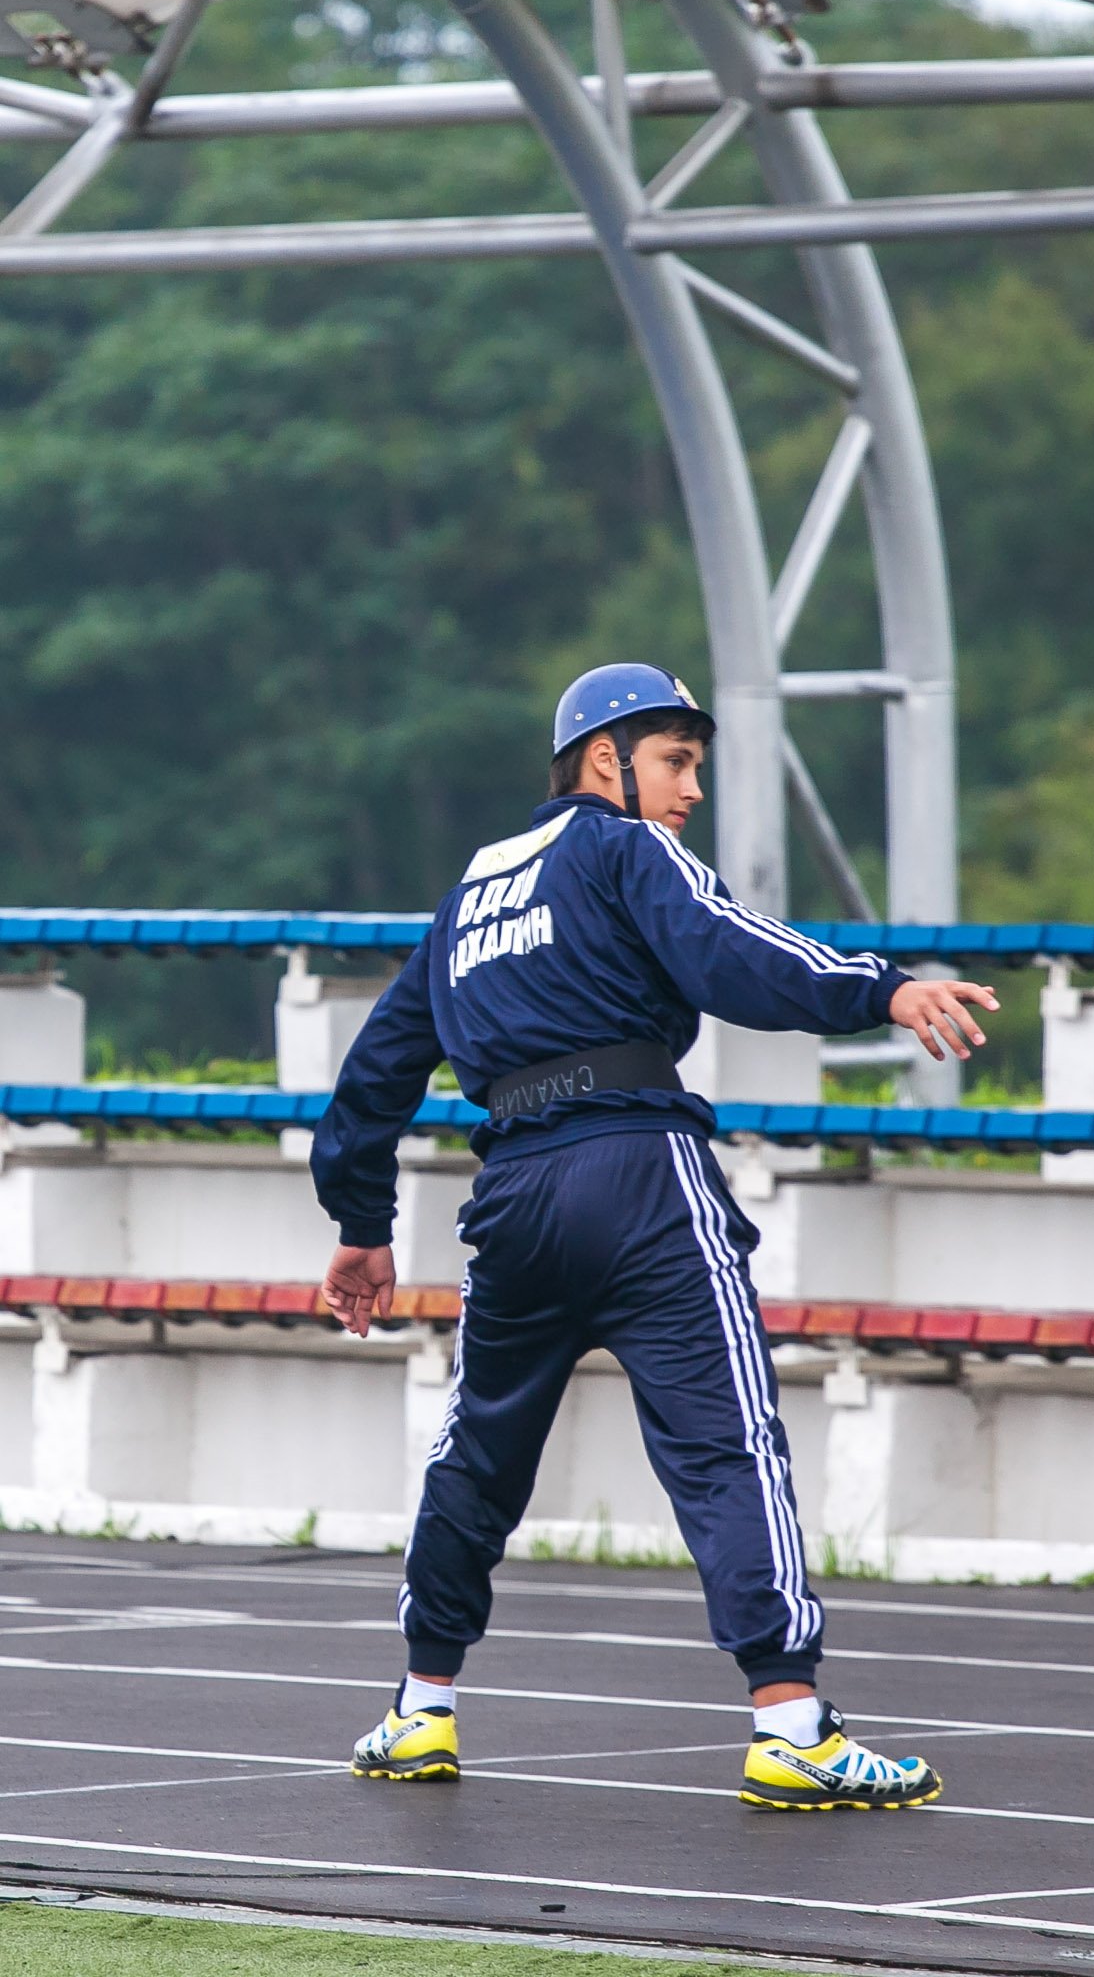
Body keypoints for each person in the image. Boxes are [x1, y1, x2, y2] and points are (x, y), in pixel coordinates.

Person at [311, 663, 999, 1811]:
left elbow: (377, 1068)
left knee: (476, 1456)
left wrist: (361, 1223)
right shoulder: (626, 848)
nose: (690, 789)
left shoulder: (467, 895)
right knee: (728, 1441)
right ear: (604, 759)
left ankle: (418, 1706)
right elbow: (731, 948)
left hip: (515, 1193)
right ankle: (791, 1725)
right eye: (675, 761)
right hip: (640, 1175)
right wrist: (879, 989)